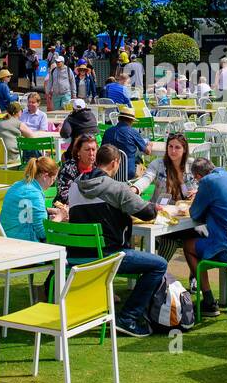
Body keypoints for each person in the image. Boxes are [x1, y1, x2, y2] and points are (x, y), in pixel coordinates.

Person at [67, 144, 167, 337]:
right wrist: (155, 208)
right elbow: (146, 213)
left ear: (97, 161)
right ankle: (128, 318)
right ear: (115, 163)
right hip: (108, 256)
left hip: (76, 255)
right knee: (159, 265)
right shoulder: (116, 188)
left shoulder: (75, 185)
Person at [181, 156, 227, 316]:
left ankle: (208, 300)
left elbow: (194, 213)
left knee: (188, 245)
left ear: (198, 177)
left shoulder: (208, 183)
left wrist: (201, 197)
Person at [0, 156, 67, 243]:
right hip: (25, 244)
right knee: (66, 237)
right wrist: (60, 217)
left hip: (7, 238)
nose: (52, 183)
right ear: (45, 176)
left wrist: (48, 210)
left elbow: (23, 210)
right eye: (53, 180)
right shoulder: (35, 194)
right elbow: (44, 233)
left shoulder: (16, 185)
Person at [134, 133, 196, 205]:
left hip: (184, 209)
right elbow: (146, 179)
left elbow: (202, 186)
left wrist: (197, 192)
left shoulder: (192, 166)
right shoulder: (157, 164)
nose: (173, 151)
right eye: (170, 146)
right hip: (160, 209)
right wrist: (135, 188)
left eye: (177, 147)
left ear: (184, 149)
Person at [101, 105, 154, 179]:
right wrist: (150, 144)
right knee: (144, 169)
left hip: (108, 172)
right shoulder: (133, 132)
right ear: (132, 121)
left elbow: (102, 151)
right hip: (128, 172)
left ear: (119, 118)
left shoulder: (108, 131)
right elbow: (147, 151)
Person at [55, 133, 98, 204]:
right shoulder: (68, 168)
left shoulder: (98, 167)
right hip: (68, 209)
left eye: (93, 149)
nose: (91, 153)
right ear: (78, 152)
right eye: (87, 150)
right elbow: (64, 195)